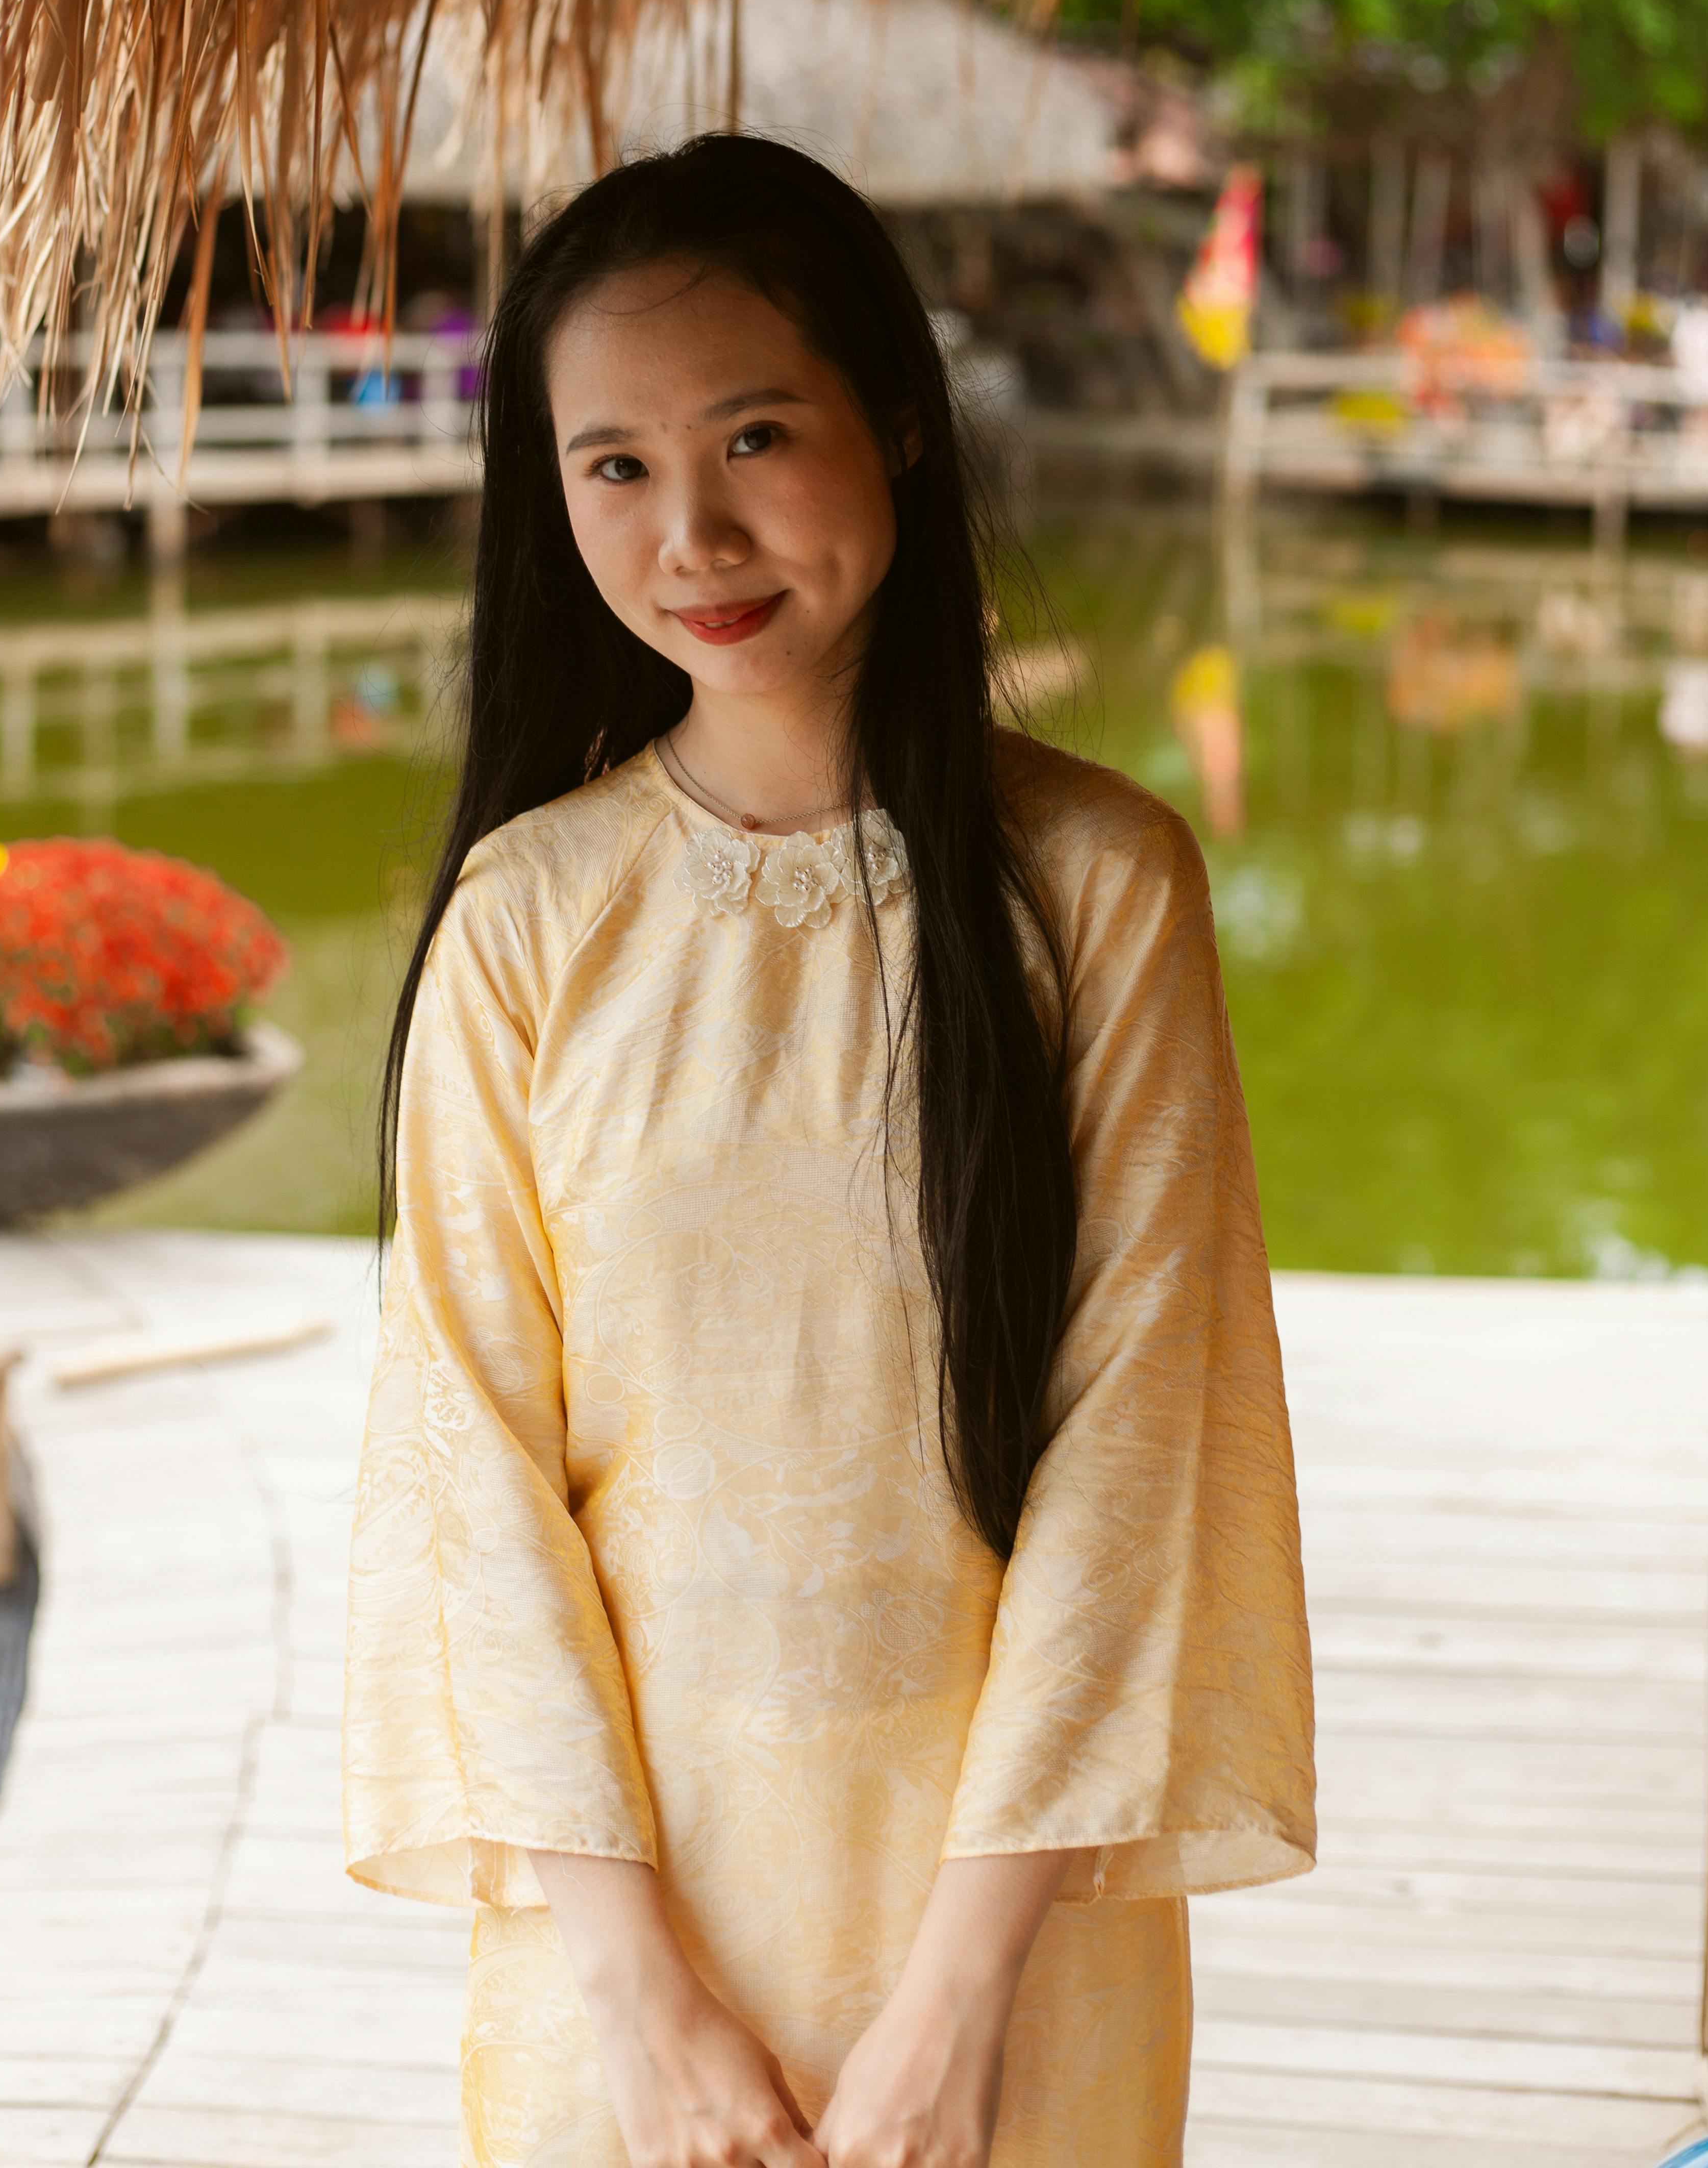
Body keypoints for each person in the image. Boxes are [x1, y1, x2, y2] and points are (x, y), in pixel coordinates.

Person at [343, 134, 1315, 2168]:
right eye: (612, 464)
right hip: (621, 1971)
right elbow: (469, 1474)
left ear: (899, 420)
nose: (691, 528)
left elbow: (1142, 1448)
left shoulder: (1099, 891)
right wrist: (641, 1995)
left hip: (1007, 1965)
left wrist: (962, 2006)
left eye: (754, 435)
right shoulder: (529, 921)